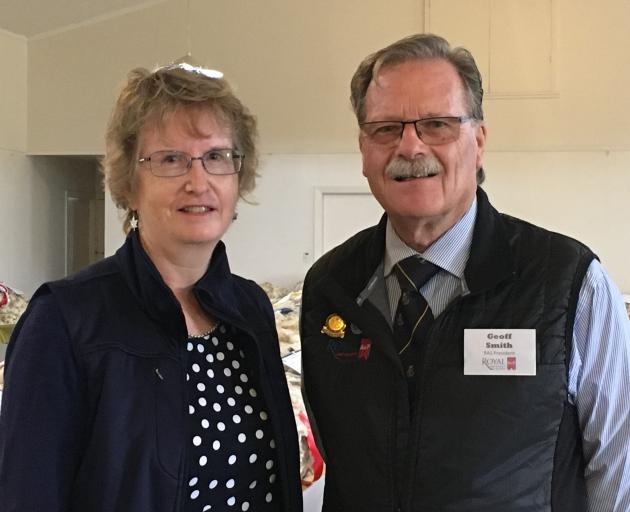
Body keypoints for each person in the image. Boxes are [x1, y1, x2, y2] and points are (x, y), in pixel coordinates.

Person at [300, 33, 630, 511]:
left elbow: (618, 479)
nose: (410, 146)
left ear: (479, 142)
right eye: (386, 128)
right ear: (363, 150)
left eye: (437, 124)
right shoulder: (330, 288)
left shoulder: (569, 284)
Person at [0, 63, 302, 512]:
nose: (197, 181)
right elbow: (27, 494)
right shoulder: (64, 318)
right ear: (129, 182)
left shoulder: (249, 307)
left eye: (216, 156)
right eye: (170, 159)